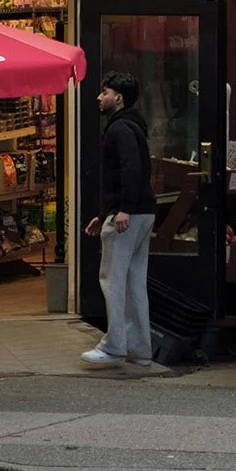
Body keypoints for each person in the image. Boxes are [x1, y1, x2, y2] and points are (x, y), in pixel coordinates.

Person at [82, 72, 158, 371]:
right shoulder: (134, 126)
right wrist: (105, 214)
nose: (99, 97)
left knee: (113, 279)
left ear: (119, 98)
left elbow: (131, 168)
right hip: (142, 212)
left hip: (129, 214)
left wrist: (121, 209)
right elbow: (135, 169)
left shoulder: (118, 129)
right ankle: (140, 350)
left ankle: (114, 346)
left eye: (105, 92)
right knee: (134, 282)